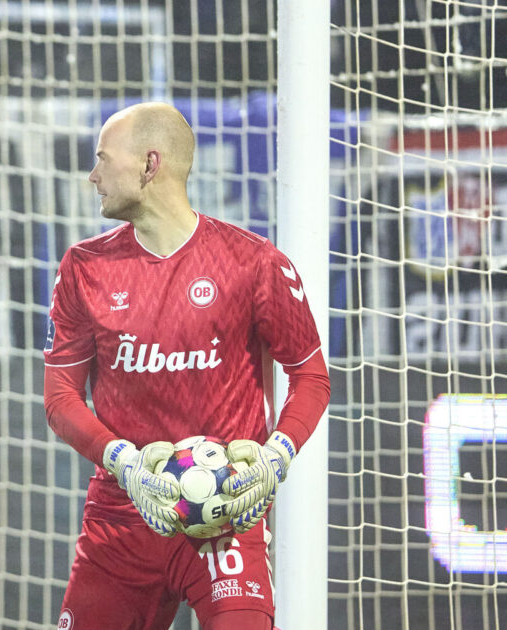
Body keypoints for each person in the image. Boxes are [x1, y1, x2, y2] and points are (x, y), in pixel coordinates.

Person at [43, 102, 331, 630]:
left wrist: (276, 456)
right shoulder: (84, 269)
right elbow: (60, 398)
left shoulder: (255, 263)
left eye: (104, 160)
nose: (93, 175)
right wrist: (124, 463)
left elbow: (311, 376)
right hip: (123, 518)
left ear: (150, 166)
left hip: (225, 518)